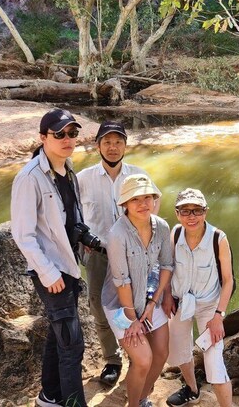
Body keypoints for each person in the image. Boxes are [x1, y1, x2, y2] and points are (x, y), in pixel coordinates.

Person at [10, 108, 87, 407]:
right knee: (72, 345)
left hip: (69, 267)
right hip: (52, 273)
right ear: (43, 138)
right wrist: (48, 272)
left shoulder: (68, 171)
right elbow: (23, 234)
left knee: (59, 338)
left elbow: (71, 217)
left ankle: (50, 396)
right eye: (60, 134)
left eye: (72, 133)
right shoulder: (29, 178)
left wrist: (84, 238)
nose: (68, 140)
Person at [77, 121, 157, 386]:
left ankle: (137, 355)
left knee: (135, 303)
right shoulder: (83, 179)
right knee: (100, 307)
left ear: (125, 145)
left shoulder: (138, 174)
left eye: (118, 142)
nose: (113, 147)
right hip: (98, 253)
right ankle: (112, 359)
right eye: (107, 142)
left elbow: (153, 204)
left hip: (133, 252)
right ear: (97, 145)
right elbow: (73, 215)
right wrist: (81, 238)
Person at [104, 174, 173, 407]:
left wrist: (153, 304)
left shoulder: (161, 226)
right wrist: (133, 320)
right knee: (143, 360)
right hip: (121, 305)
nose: (143, 204)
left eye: (147, 197)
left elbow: (166, 266)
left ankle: (142, 397)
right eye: (135, 199)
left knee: (162, 353)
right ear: (125, 204)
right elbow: (121, 281)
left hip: (151, 295)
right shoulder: (117, 234)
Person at [163, 188, 234, 407]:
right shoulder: (175, 234)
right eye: (185, 211)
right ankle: (192, 390)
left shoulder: (217, 239)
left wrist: (218, 315)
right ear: (177, 213)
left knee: (214, 364)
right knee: (180, 351)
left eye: (197, 210)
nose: (191, 216)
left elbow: (228, 280)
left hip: (209, 307)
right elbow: (167, 267)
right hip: (180, 303)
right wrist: (166, 295)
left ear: (206, 212)